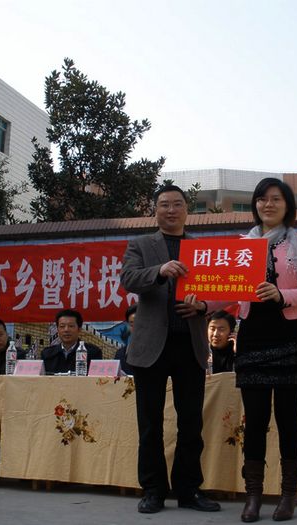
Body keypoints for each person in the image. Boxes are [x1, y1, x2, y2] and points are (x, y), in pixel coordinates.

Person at [121, 184, 221, 514]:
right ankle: (153, 490)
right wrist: (160, 272)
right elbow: (129, 278)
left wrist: (203, 306)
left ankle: (189, 489)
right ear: (155, 210)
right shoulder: (140, 244)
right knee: (150, 424)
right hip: (151, 345)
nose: (171, 210)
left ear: (187, 210)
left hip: (189, 344)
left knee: (191, 423)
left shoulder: (202, 249)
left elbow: (217, 289)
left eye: (177, 204)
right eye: (164, 204)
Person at [234, 177, 297, 523]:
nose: (268, 205)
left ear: (287, 205)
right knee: (254, 420)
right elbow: (229, 289)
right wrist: (202, 304)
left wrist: (283, 295)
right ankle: (253, 495)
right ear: (255, 205)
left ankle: (288, 494)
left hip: (289, 335)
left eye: (276, 199)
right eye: (262, 199)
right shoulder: (242, 246)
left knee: (287, 419)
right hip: (252, 337)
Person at [40, 309, 102, 374]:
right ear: (57, 330)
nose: (66, 330)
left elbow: (97, 378)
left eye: (71, 326)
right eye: (62, 326)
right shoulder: (47, 354)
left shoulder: (93, 352)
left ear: (79, 329)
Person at [114, 304, 137, 376]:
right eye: (132, 324)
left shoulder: (156, 353)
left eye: (139, 323)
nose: (136, 328)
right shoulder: (120, 354)